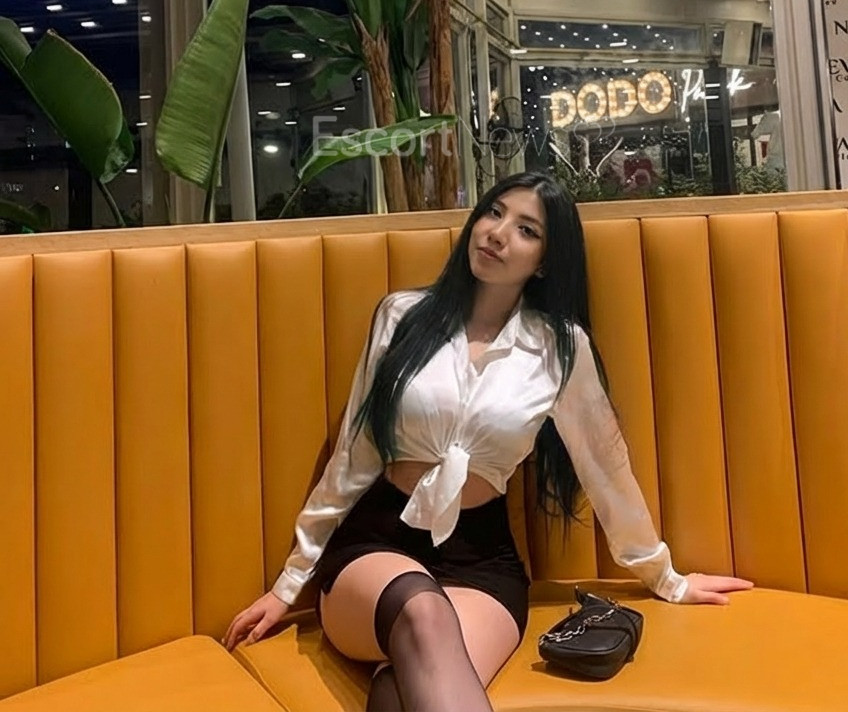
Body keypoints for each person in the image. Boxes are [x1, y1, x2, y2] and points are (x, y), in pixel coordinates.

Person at [223, 172, 753, 710]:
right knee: (423, 613)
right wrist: (289, 584)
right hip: (378, 544)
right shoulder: (401, 316)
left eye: (526, 229)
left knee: (401, 692)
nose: (498, 233)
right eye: (493, 213)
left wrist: (665, 577)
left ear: (544, 261)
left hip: (481, 560)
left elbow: (606, 468)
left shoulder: (560, 348)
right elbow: (353, 456)